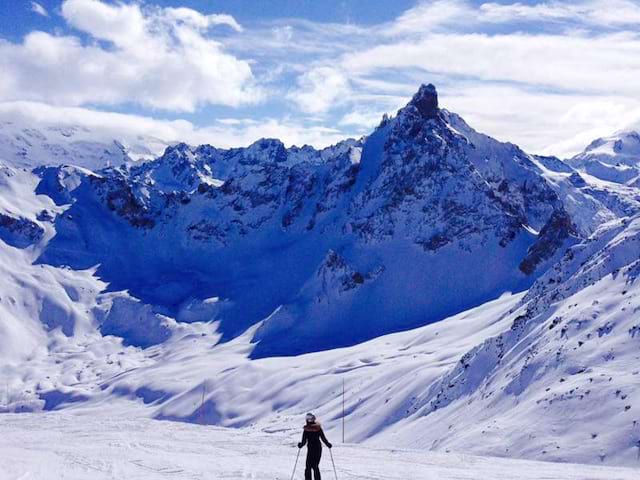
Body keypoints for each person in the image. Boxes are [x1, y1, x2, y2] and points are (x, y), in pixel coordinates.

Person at [297, 413, 332, 480]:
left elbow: (304, 441)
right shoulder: (318, 427)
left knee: (308, 466)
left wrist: (300, 445)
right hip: (318, 448)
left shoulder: (306, 429)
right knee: (315, 466)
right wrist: (328, 444)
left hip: (310, 449)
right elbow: (323, 438)